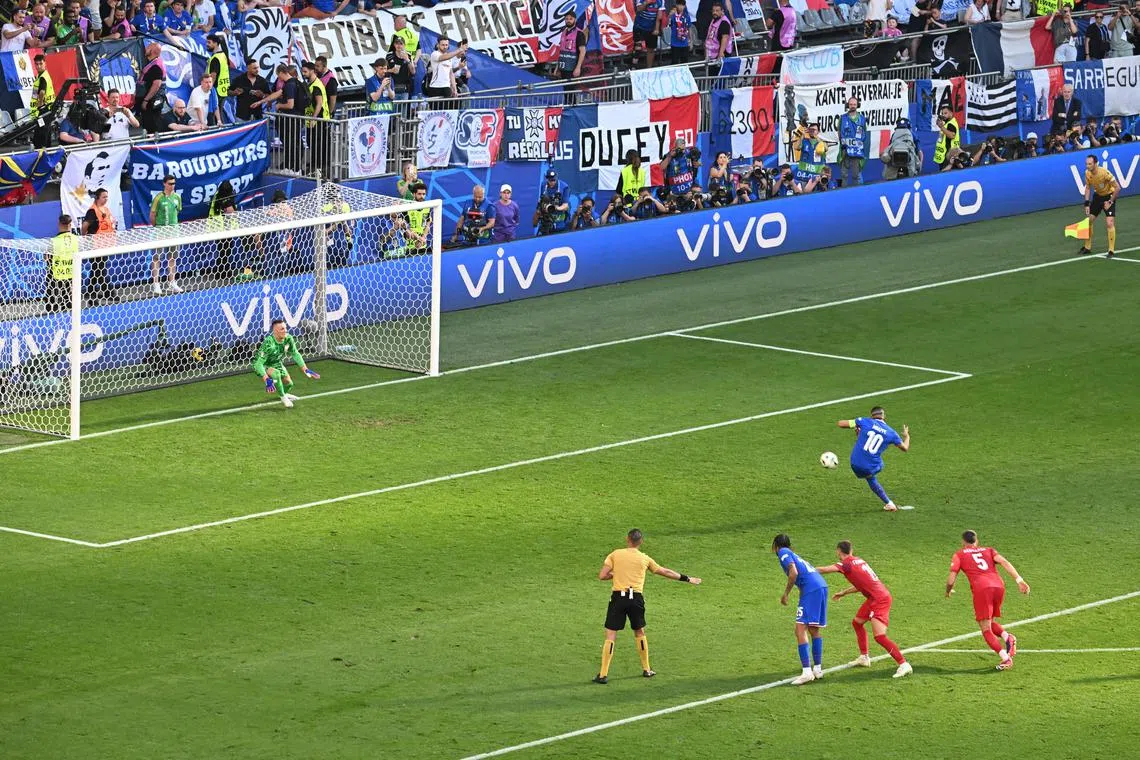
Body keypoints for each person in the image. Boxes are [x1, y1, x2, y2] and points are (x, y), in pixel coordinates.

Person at [593, 528, 701, 684]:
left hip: (618, 598)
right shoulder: (644, 559)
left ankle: (603, 674)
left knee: (611, 635)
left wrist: (616, 574)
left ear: (627, 539)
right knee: (639, 631)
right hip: (635, 598)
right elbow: (665, 571)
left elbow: (602, 575)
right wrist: (687, 578)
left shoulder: (615, 554)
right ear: (640, 542)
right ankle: (647, 669)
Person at [817, 541, 912, 679]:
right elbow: (862, 584)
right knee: (857, 622)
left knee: (879, 636)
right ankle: (864, 657)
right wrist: (844, 592)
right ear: (851, 550)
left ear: (838, 551)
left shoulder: (846, 564)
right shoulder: (859, 561)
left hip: (880, 599)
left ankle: (903, 664)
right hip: (875, 597)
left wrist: (806, 569)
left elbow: (825, 569)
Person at [946, 530, 1030, 671]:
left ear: (963, 542)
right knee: (989, 622)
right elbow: (1004, 562)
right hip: (998, 586)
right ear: (976, 541)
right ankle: (1008, 637)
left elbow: (951, 578)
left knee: (985, 629)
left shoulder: (959, 555)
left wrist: (948, 590)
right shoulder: (989, 550)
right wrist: (1019, 580)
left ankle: (1006, 658)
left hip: (982, 590)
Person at [773, 533, 828, 686]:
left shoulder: (783, 552)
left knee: (799, 629)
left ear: (775, 546)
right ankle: (817, 669)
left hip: (812, 589)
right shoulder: (794, 554)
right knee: (813, 629)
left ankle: (806, 672)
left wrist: (786, 594)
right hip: (821, 586)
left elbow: (794, 572)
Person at [837, 406, 910, 511]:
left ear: (871, 415)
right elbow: (905, 448)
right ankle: (889, 503)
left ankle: (889, 503)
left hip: (854, 463)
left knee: (870, 477)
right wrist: (907, 436)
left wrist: (857, 425)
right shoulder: (892, 433)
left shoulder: (864, 421)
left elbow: (840, 423)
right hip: (870, 466)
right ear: (884, 416)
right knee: (879, 466)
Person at [253, 319, 320, 409]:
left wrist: (305, 368)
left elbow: (295, 354)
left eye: (285, 328)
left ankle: (283, 393)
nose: (285, 330)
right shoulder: (269, 343)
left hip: (276, 363)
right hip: (263, 365)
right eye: (282, 329)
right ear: (275, 331)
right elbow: (258, 364)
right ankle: (283, 397)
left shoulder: (288, 339)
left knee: (289, 384)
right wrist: (267, 379)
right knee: (276, 374)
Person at [1078, 154, 1120, 258]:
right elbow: (1087, 188)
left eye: (1090, 164)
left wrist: (1110, 202)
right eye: (1086, 164)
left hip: (1109, 197)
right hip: (1097, 198)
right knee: (1089, 221)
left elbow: (1117, 188)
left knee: (1109, 223)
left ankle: (1111, 250)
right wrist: (1087, 203)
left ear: (1095, 164)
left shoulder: (1105, 173)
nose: (1087, 166)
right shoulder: (1087, 173)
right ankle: (1087, 247)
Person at [81, 188, 118, 303]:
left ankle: (90, 292)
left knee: (96, 269)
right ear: (97, 198)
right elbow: (84, 226)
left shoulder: (106, 209)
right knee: (101, 270)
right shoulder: (92, 211)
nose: (106, 199)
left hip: (105, 244)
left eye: (107, 197)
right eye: (104, 197)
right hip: (95, 244)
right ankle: (109, 293)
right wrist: (86, 238)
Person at [149, 174, 182, 295]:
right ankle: (156, 284)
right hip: (160, 231)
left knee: (172, 257)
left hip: (174, 231)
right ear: (164, 184)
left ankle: (172, 283)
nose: (172, 186)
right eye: (170, 184)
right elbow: (152, 215)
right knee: (157, 257)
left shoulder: (177, 197)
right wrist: (157, 228)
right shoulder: (158, 198)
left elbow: (177, 212)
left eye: (174, 183)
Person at [301, 60, 330, 178]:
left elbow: (319, 103)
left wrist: (314, 118)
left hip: (319, 120)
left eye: (305, 71)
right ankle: (315, 166)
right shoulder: (310, 84)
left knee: (318, 144)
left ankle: (319, 168)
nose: (303, 73)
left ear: (312, 71)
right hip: (312, 120)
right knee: (312, 143)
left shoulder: (316, 86)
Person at [45, 214, 77, 314]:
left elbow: (46, 258)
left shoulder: (53, 241)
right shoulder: (76, 239)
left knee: (52, 294)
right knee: (68, 294)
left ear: (59, 224)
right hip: (71, 272)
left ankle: (51, 312)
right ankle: (68, 311)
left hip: (56, 273)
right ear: (70, 225)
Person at [136, 43, 166, 134]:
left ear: (153, 51)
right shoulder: (152, 62)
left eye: (148, 47)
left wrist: (146, 100)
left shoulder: (156, 65)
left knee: (152, 128)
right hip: (148, 103)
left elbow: (156, 84)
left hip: (151, 104)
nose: (146, 49)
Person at [660, 137, 699, 204]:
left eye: (683, 148)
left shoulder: (689, 153)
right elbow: (662, 167)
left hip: (689, 189)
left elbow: (696, 163)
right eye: (679, 149)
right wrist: (670, 156)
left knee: (698, 194)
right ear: (675, 147)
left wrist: (696, 162)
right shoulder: (669, 155)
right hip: (674, 192)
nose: (681, 151)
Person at [838, 97, 868, 187]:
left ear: (857, 105)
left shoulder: (862, 118)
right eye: (851, 104)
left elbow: (864, 133)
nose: (852, 106)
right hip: (845, 150)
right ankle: (843, 193)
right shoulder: (842, 118)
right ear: (848, 105)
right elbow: (839, 131)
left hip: (857, 151)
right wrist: (843, 144)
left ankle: (857, 194)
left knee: (856, 175)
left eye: (854, 104)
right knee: (844, 174)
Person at [426, 37, 465, 101]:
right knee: (435, 110)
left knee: (447, 110)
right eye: (443, 45)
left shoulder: (449, 57)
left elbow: (451, 73)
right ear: (438, 45)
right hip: (435, 87)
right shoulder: (434, 54)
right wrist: (459, 50)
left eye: (446, 45)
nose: (445, 47)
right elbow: (444, 57)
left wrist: (454, 89)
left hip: (446, 87)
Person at [534, 169, 571, 235]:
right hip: (546, 220)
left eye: (554, 180)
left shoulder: (564, 187)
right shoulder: (543, 185)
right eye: (550, 180)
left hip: (559, 220)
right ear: (546, 178)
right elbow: (541, 200)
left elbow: (565, 206)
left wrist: (556, 208)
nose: (552, 182)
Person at [31, 54, 56, 149]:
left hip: (44, 110)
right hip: (47, 110)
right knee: (45, 132)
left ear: (45, 63)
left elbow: (42, 92)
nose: (38, 66)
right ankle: (46, 150)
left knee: (41, 134)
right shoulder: (41, 75)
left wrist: (40, 103)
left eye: (41, 64)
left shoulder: (43, 77)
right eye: (36, 64)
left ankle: (41, 151)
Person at [205, 34, 232, 123]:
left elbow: (213, 76)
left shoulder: (216, 58)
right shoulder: (223, 55)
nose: (207, 44)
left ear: (216, 43)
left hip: (216, 91)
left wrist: (207, 90)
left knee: (214, 116)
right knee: (219, 115)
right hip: (223, 90)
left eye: (209, 42)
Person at [555, 10, 587, 80]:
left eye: (571, 19)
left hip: (572, 68)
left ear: (575, 20)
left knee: (571, 89)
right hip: (563, 67)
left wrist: (578, 67)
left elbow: (583, 51)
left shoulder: (579, 33)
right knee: (564, 89)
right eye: (566, 19)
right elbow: (561, 51)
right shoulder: (563, 33)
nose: (568, 20)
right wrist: (557, 68)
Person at [632, 0, 661, 68]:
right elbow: (639, 9)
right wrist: (646, 2)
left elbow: (659, 17)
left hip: (651, 28)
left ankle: (649, 68)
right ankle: (633, 67)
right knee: (637, 47)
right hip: (639, 26)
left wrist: (656, 29)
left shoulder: (660, 1)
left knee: (650, 49)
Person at [704, 1, 733, 69]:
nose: (714, 12)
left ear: (722, 11)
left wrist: (721, 53)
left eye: (717, 11)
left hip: (720, 55)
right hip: (712, 54)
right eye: (713, 10)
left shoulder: (724, 22)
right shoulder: (714, 19)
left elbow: (725, 38)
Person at [386, 36, 415, 100]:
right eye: (397, 43)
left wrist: (407, 60)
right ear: (394, 45)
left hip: (405, 88)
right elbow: (384, 71)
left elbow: (413, 71)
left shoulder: (409, 55)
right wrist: (392, 70)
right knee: (393, 109)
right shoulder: (389, 55)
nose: (399, 46)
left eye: (401, 44)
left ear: (404, 45)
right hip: (393, 88)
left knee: (403, 109)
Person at [933, 105, 961, 170]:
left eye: (945, 113)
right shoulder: (946, 123)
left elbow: (952, 135)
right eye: (942, 113)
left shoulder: (951, 124)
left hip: (949, 155)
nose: (943, 115)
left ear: (951, 113)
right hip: (944, 155)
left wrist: (941, 127)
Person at [666, 0, 691, 65]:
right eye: (679, 4)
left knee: (685, 62)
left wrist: (690, 41)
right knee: (674, 61)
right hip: (675, 43)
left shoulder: (687, 16)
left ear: (685, 6)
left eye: (682, 5)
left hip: (684, 43)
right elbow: (666, 25)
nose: (680, 7)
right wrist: (669, 16)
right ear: (676, 5)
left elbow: (689, 28)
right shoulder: (673, 15)